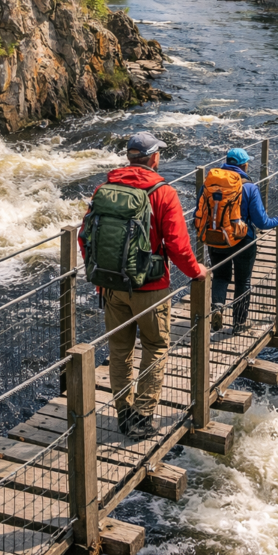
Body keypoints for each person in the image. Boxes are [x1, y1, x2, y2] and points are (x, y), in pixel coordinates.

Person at [79, 131, 206, 441]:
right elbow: (177, 244)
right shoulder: (164, 193)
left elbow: (85, 238)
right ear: (153, 158)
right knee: (156, 346)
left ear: (129, 157)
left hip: (111, 285)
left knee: (119, 350)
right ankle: (143, 414)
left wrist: (100, 277)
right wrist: (196, 272)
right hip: (151, 287)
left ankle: (123, 412)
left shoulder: (103, 189)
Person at [195, 148, 278, 333]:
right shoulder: (250, 187)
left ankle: (217, 308)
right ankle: (239, 324)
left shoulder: (209, 184)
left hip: (216, 239)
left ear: (226, 162)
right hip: (243, 241)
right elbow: (262, 222)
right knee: (243, 281)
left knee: (220, 276)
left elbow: (199, 211)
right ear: (244, 165)